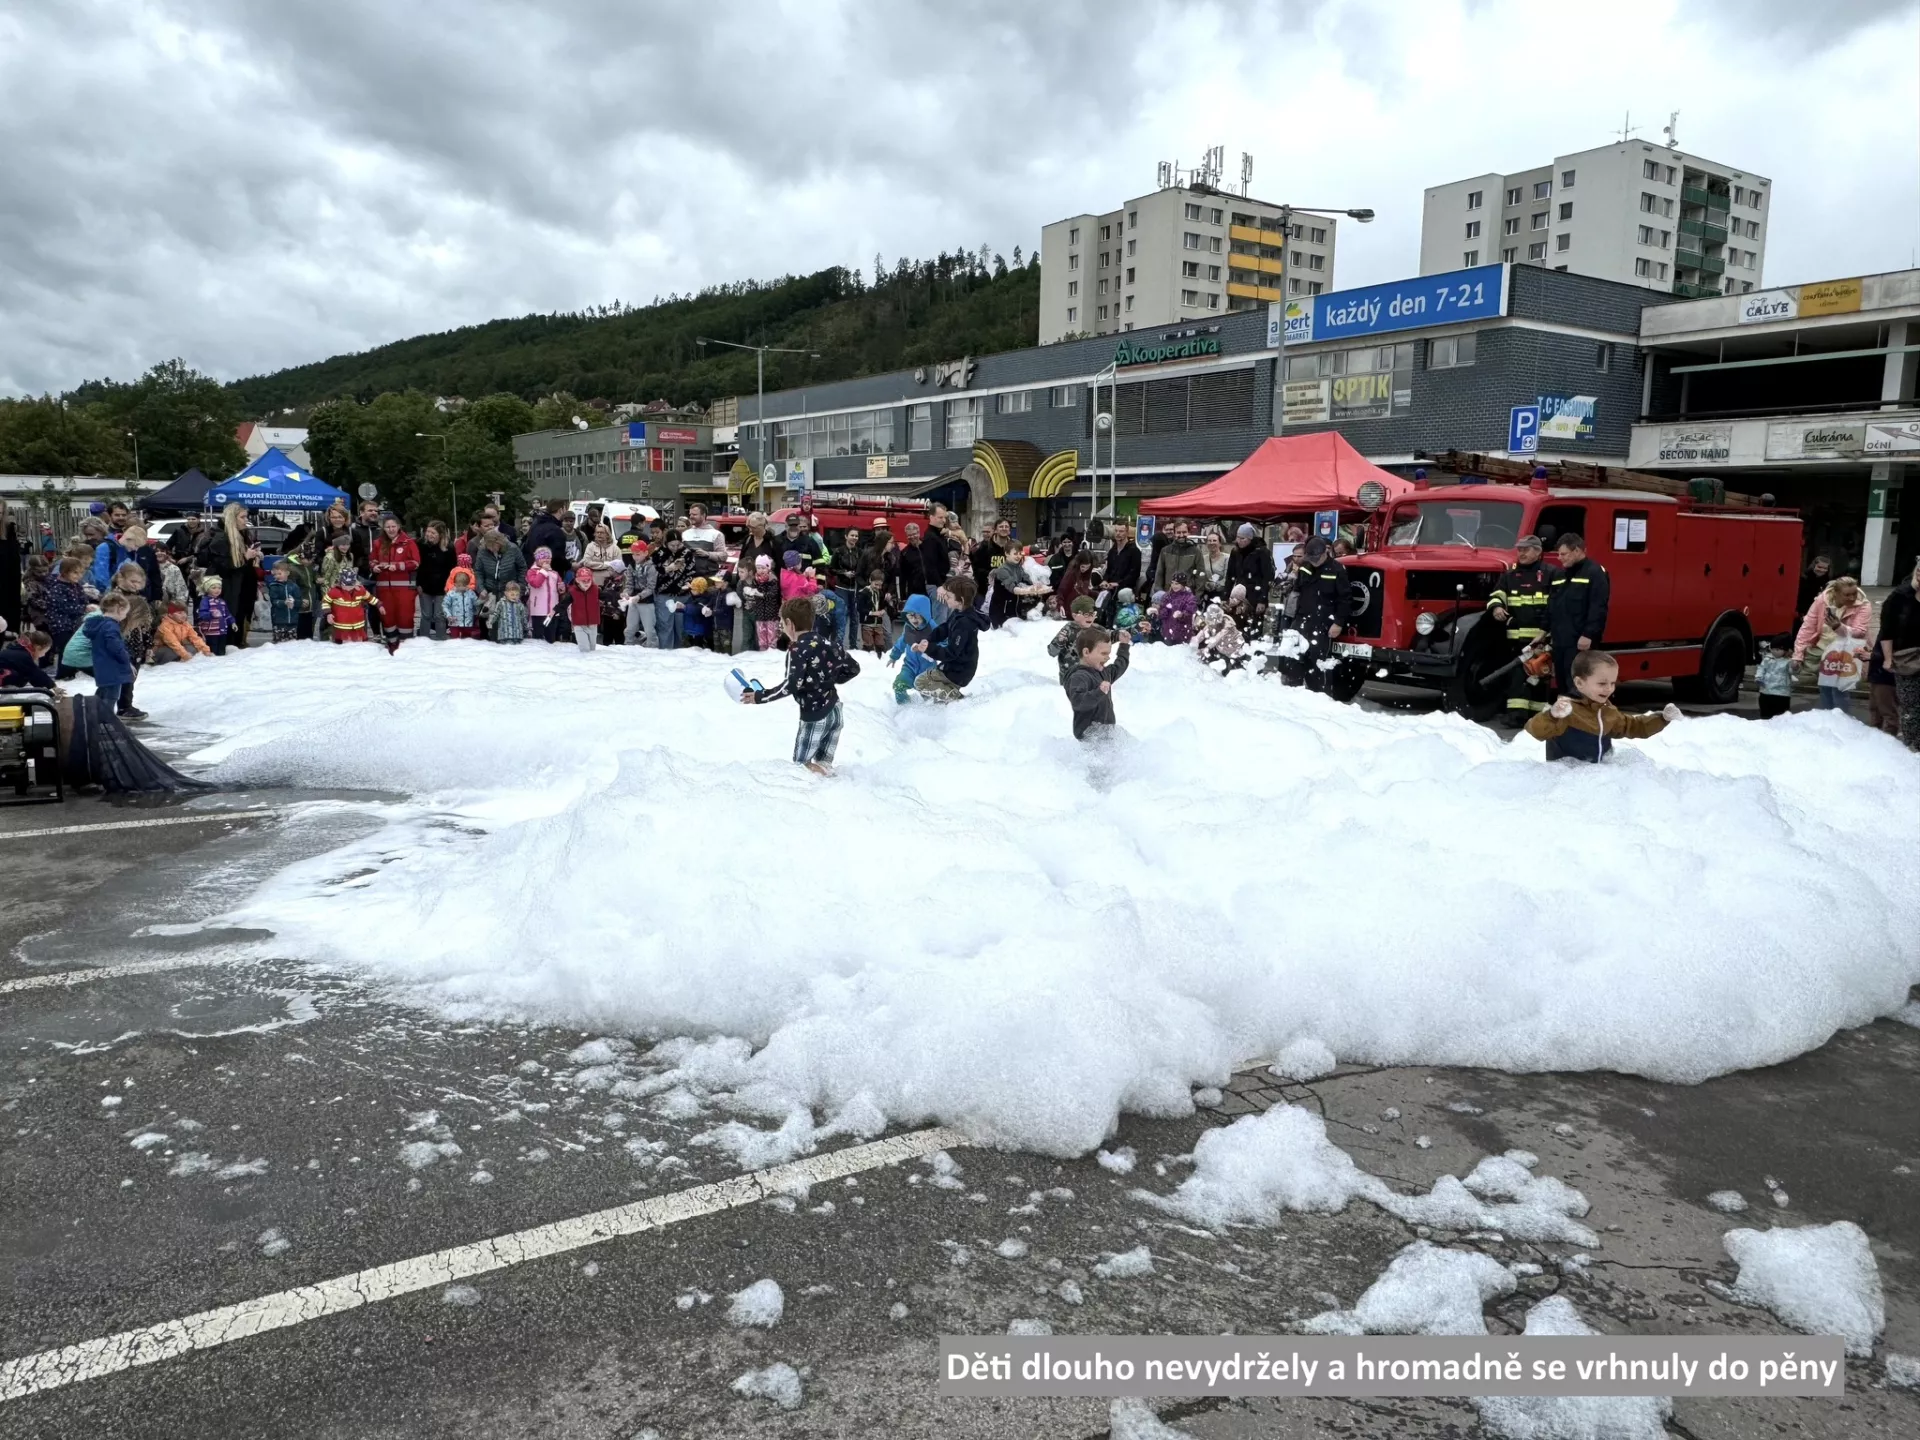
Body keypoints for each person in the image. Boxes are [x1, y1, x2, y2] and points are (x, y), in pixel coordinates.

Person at [739, 595, 861, 775]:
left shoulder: (797, 650)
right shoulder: (829, 643)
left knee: (802, 769)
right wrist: (830, 678)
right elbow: (854, 668)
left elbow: (791, 685)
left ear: (790, 624)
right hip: (835, 711)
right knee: (824, 765)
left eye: (781, 621)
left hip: (815, 716)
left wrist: (760, 696)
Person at [1525, 650, 1681, 763]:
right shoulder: (1567, 711)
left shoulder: (1607, 711)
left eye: (1613, 683)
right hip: (1567, 781)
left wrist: (1662, 718)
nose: (1609, 689)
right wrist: (1552, 715)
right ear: (1579, 683)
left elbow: (1634, 726)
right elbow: (1535, 730)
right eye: (1602, 683)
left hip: (1599, 778)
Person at [1487, 534, 1561, 724]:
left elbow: (1558, 605)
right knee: (1517, 677)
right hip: (1516, 639)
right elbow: (1496, 594)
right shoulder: (1510, 576)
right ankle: (1516, 715)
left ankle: (1537, 716)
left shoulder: (1552, 573)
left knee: (1539, 677)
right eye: (1519, 549)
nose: (1521, 553)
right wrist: (1496, 607)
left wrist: (1548, 633)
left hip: (1542, 639)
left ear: (1538, 552)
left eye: (1526, 549)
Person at [1793, 574, 1871, 714]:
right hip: (1825, 651)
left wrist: (1838, 627)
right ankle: (1828, 721)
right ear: (1835, 593)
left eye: (1854, 593)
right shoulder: (1822, 601)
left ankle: (1841, 722)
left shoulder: (1863, 604)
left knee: (1840, 690)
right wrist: (1798, 655)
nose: (1852, 598)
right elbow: (1808, 627)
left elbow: (1860, 632)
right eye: (1847, 595)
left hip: (1847, 652)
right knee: (1825, 688)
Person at [1282, 537, 1349, 689]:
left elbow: (1345, 599)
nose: (1313, 561)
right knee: (1293, 657)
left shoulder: (1337, 569)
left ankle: (1315, 694)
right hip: (1301, 619)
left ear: (1325, 552)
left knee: (1316, 661)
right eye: (1310, 558)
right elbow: (1297, 591)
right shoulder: (1305, 567)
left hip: (1323, 622)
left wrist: (1338, 623)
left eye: (1315, 558)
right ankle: (1292, 690)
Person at [1547, 533, 1609, 695]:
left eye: (1563, 554)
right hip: (1560, 640)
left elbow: (1598, 607)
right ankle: (1566, 717)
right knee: (1562, 682)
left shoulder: (1594, 572)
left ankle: (1580, 718)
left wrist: (1588, 634)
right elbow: (1553, 605)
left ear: (1577, 551)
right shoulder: (1560, 575)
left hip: (1580, 641)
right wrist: (1545, 630)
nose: (1559, 558)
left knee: (1578, 684)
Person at [195, 503, 262, 645]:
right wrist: (246, 557)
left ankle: (237, 644)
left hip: (242, 585)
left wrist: (253, 554)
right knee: (228, 620)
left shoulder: (242, 534)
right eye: (242, 517)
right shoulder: (221, 537)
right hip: (227, 588)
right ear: (232, 518)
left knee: (240, 616)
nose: (246, 520)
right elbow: (223, 566)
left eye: (246, 517)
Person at [913, 574, 983, 700]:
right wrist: (929, 640)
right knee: (937, 691)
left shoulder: (965, 623)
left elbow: (952, 652)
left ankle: (959, 701)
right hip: (956, 666)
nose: (945, 598)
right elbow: (945, 628)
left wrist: (929, 648)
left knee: (921, 682)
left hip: (960, 670)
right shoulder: (958, 613)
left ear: (960, 600)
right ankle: (947, 705)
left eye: (949, 596)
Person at [1879, 557, 1920, 750]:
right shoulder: (1900, 596)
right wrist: (1888, 658)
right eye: (1919, 569)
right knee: (1910, 707)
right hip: (1907, 659)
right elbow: (1887, 630)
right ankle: (1912, 749)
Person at [1066, 625, 1131, 740]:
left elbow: (1119, 666)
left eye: (1108, 653)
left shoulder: (1104, 673)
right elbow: (1078, 703)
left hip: (1106, 732)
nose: (1108, 658)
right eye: (1103, 654)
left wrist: (1124, 646)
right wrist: (1099, 692)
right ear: (1086, 652)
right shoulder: (1079, 677)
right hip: (1089, 736)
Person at [370, 515, 420, 648]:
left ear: (398, 527)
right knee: (387, 618)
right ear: (383, 528)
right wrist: (374, 567)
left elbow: (416, 563)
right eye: (388, 527)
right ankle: (391, 645)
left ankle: (406, 646)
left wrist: (397, 566)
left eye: (393, 526)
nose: (391, 529)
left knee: (405, 618)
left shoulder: (409, 542)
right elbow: (373, 560)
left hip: (404, 588)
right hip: (384, 588)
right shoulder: (378, 543)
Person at [84, 592, 136, 715]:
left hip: (102, 666)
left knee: (103, 693)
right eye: (125, 613)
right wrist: (126, 660)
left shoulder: (100, 624)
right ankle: (105, 720)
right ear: (119, 609)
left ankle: (94, 716)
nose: (125, 616)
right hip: (113, 668)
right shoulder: (111, 626)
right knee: (111, 696)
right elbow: (115, 647)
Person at [887, 593, 938, 703]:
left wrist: (932, 649)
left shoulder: (933, 628)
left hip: (928, 669)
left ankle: (931, 713)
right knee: (899, 685)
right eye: (910, 616)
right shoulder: (908, 627)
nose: (913, 619)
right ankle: (905, 709)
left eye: (917, 616)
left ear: (925, 614)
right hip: (910, 666)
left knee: (928, 695)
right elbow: (902, 641)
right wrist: (894, 656)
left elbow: (944, 643)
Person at [1223, 523, 1274, 623]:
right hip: (1239, 594)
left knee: (1254, 627)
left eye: (1243, 538)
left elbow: (1267, 577)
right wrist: (1226, 596)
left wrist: (1262, 600)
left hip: (1256, 594)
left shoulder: (1262, 552)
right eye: (1238, 538)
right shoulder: (1235, 552)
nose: (1239, 541)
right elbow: (1230, 575)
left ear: (1250, 539)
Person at [43, 556, 88, 666]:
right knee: (65, 648)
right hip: (60, 624)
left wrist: (88, 605)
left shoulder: (76, 586)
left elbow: (83, 599)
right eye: (75, 573)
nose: (79, 576)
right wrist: (83, 608)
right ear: (64, 572)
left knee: (71, 647)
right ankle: (63, 672)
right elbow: (64, 607)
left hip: (73, 623)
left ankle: (72, 669)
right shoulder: (57, 588)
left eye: (81, 573)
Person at [414, 520, 456, 640]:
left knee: (439, 615)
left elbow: (452, 569)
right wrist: (418, 584)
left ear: (440, 534)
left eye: (433, 533)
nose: (429, 535)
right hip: (425, 585)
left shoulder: (449, 547)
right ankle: (424, 640)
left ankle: (441, 640)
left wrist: (450, 587)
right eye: (428, 532)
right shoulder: (421, 544)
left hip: (442, 587)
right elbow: (419, 566)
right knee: (426, 615)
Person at [1048, 595, 1100, 685]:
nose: (1090, 618)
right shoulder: (1069, 629)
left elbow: (1110, 636)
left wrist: (1123, 634)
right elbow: (1052, 652)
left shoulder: (1096, 629)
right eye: (1086, 614)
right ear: (1075, 615)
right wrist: (1060, 643)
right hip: (1070, 679)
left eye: (1092, 614)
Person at [321, 567, 374, 644]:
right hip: (341, 628)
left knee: (359, 646)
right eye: (346, 585)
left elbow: (370, 598)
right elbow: (325, 601)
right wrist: (328, 614)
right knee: (341, 647)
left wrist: (379, 605)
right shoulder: (334, 591)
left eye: (351, 585)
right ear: (341, 583)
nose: (348, 588)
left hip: (358, 627)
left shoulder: (360, 590)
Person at [621, 541, 659, 647]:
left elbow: (651, 587)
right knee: (630, 629)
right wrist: (625, 593)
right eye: (633, 554)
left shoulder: (651, 567)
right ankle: (628, 647)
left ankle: (653, 649)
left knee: (649, 630)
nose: (635, 557)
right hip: (633, 601)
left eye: (638, 554)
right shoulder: (631, 566)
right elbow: (629, 584)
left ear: (645, 553)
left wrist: (640, 596)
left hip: (646, 602)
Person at [1151, 519, 1204, 595]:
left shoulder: (1196, 552)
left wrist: (1197, 597)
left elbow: (1200, 576)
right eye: (1178, 532)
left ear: (1188, 532)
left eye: (1184, 532)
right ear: (1174, 533)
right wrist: (1159, 592)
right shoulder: (1165, 551)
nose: (1181, 535)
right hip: (1168, 594)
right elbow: (1159, 573)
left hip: (1187, 596)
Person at [524, 547, 563, 641]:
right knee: (538, 638)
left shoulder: (554, 573)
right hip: (538, 611)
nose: (546, 560)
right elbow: (536, 583)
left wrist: (562, 588)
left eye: (548, 558)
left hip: (552, 611)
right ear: (537, 559)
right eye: (543, 557)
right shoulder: (532, 572)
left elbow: (560, 590)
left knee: (551, 637)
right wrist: (544, 571)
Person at [856, 568, 894, 655]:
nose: (878, 587)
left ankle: (879, 662)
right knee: (868, 646)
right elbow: (860, 608)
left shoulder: (879, 592)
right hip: (867, 623)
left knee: (880, 645)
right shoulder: (863, 592)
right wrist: (872, 613)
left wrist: (885, 605)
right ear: (870, 580)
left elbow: (881, 605)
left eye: (880, 585)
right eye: (876, 584)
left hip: (878, 623)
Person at [266, 559, 305, 642]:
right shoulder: (274, 586)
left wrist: (295, 602)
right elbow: (274, 601)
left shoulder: (294, 586)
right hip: (279, 621)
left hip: (293, 621)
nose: (277, 576)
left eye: (280, 573)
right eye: (275, 574)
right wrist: (284, 602)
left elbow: (299, 601)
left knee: (291, 642)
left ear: (287, 573)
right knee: (279, 641)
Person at [1755, 639, 1794, 719]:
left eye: (1778, 649)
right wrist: (1758, 677)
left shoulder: (1788, 661)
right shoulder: (1767, 659)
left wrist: (1795, 666)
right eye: (1772, 649)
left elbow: (1792, 671)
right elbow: (1761, 668)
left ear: (1785, 650)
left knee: (1781, 716)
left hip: (1782, 693)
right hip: (1766, 691)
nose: (1774, 651)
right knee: (1765, 715)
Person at [196, 575, 235, 654]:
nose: (217, 590)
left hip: (222, 630)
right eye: (213, 588)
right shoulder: (205, 601)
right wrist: (211, 614)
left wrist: (232, 622)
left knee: (221, 649)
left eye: (219, 588)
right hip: (211, 631)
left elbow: (227, 614)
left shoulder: (222, 601)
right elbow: (201, 614)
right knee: (213, 650)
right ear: (207, 589)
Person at [568, 566, 602, 652]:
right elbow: (563, 604)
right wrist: (554, 611)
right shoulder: (572, 591)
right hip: (579, 624)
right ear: (577, 580)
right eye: (583, 581)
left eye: (588, 580)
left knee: (592, 649)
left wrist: (620, 597)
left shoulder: (596, 590)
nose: (586, 583)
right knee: (584, 649)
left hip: (593, 624)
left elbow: (608, 596)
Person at [1159, 573, 1199, 646]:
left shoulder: (1190, 598)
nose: (1174, 586)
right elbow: (1162, 610)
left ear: (1183, 584)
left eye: (1177, 584)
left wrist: (1181, 615)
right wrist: (1161, 612)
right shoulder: (1167, 596)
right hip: (1168, 632)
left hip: (1183, 634)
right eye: (1172, 583)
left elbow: (1190, 613)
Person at [443, 564, 481, 639]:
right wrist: (448, 615)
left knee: (466, 641)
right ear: (455, 584)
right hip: (454, 622)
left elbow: (476, 604)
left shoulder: (471, 593)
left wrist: (481, 600)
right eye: (459, 585)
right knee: (455, 640)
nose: (462, 588)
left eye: (464, 585)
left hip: (468, 622)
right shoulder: (451, 594)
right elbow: (445, 605)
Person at [1795, 554, 1833, 628]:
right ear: (1814, 566)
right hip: (1803, 612)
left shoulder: (1828, 582)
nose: (1822, 570)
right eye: (1819, 567)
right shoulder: (1803, 579)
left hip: (1819, 613)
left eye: (1825, 568)